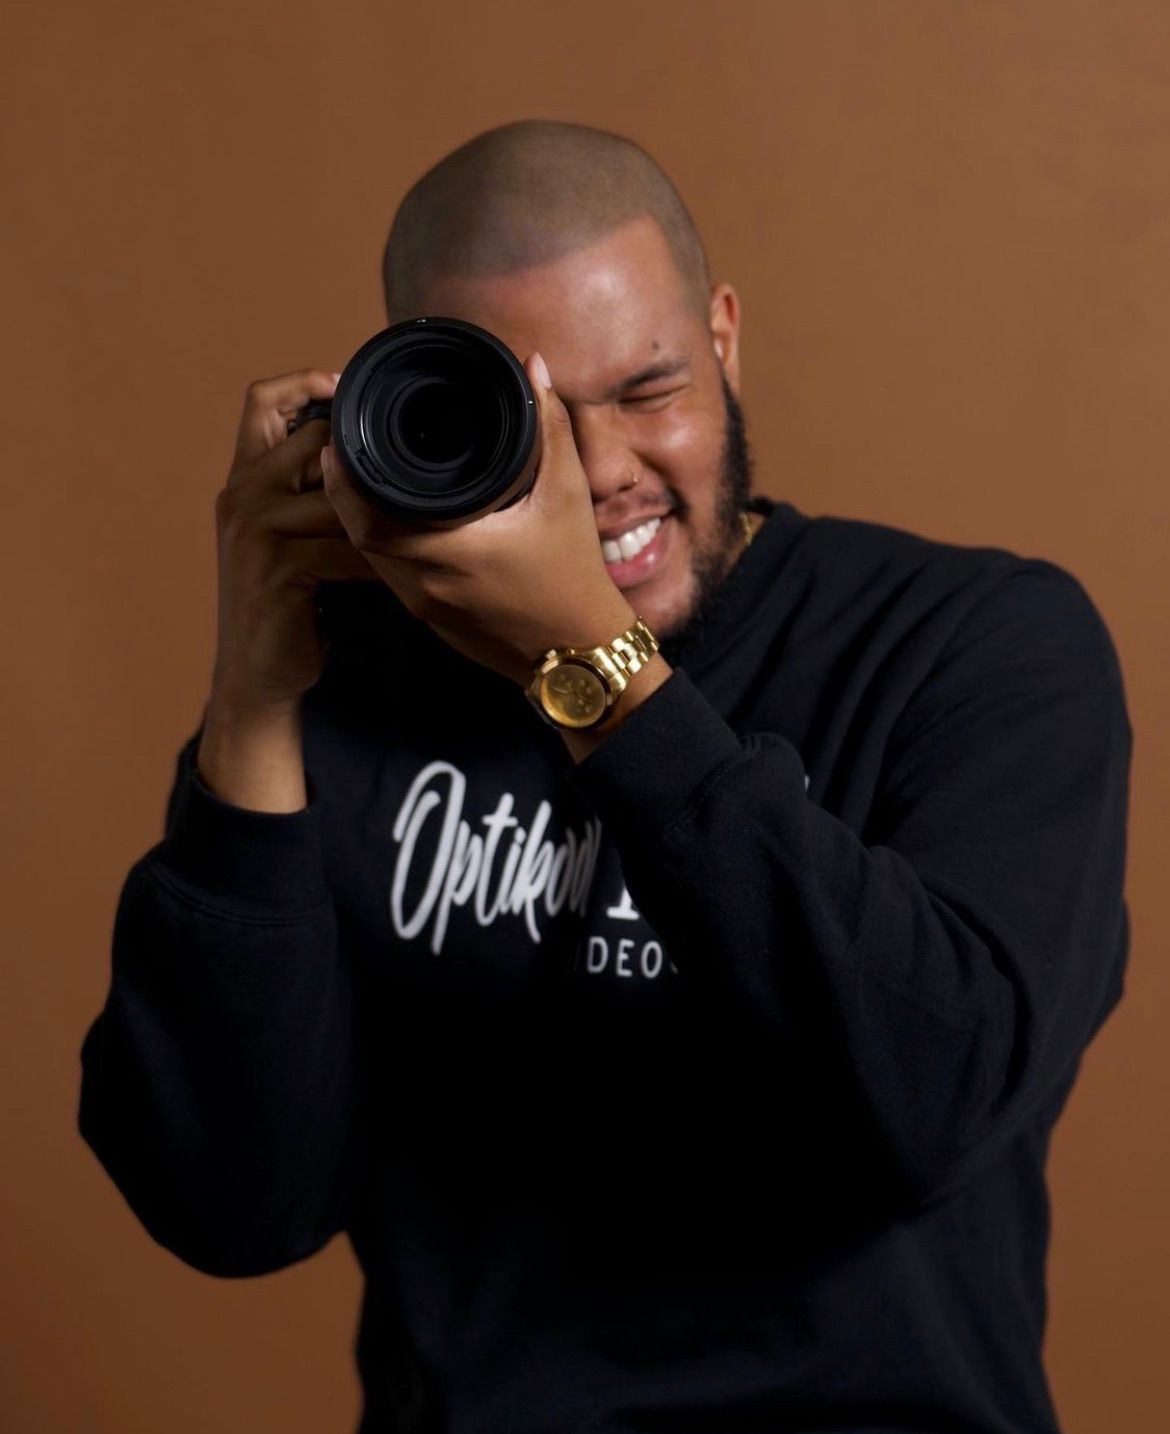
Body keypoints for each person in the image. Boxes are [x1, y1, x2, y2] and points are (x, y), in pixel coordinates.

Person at [78, 119, 1132, 1434]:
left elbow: (928, 1100)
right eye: (530, 419)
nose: (599, 477)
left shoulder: (971, 645)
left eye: (648, 391)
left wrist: (588, 662)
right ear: (425, 398)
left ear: (724, 339)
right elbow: (228, 1203)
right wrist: (250, 692)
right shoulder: (354, 694)